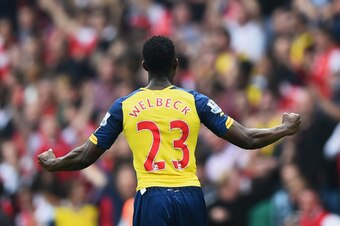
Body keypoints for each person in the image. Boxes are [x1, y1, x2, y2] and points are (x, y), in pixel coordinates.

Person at [38, 36, 301, 226]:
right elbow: (246, 138)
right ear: (176, 64)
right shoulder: (196, 101)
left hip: (152, 196)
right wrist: (284, 128)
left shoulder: (125, 106)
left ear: (144, 66)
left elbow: (86, 155)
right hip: (190, 195)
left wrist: (56, 164)